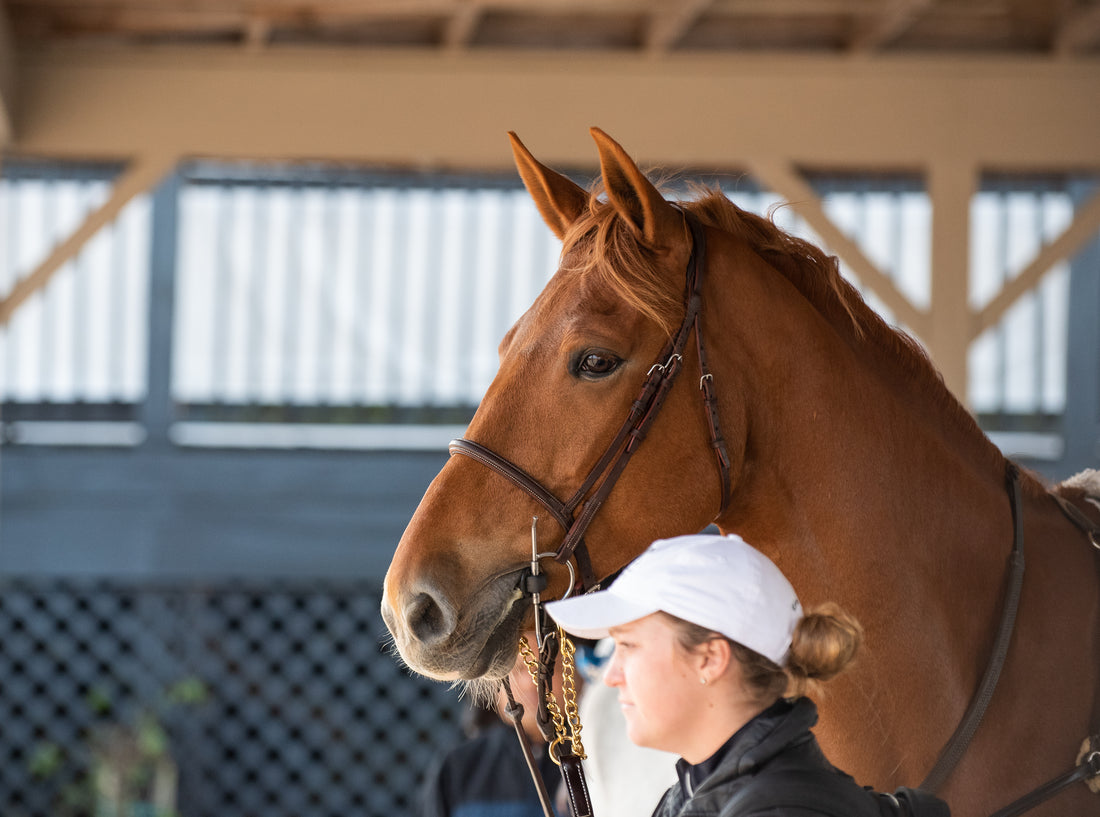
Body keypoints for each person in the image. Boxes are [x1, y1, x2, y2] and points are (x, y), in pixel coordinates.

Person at [544, 533, 950, 817]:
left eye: (628, 647)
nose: (611, 675)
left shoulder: (778, 809)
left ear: (710, 659)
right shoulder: (698, 792)